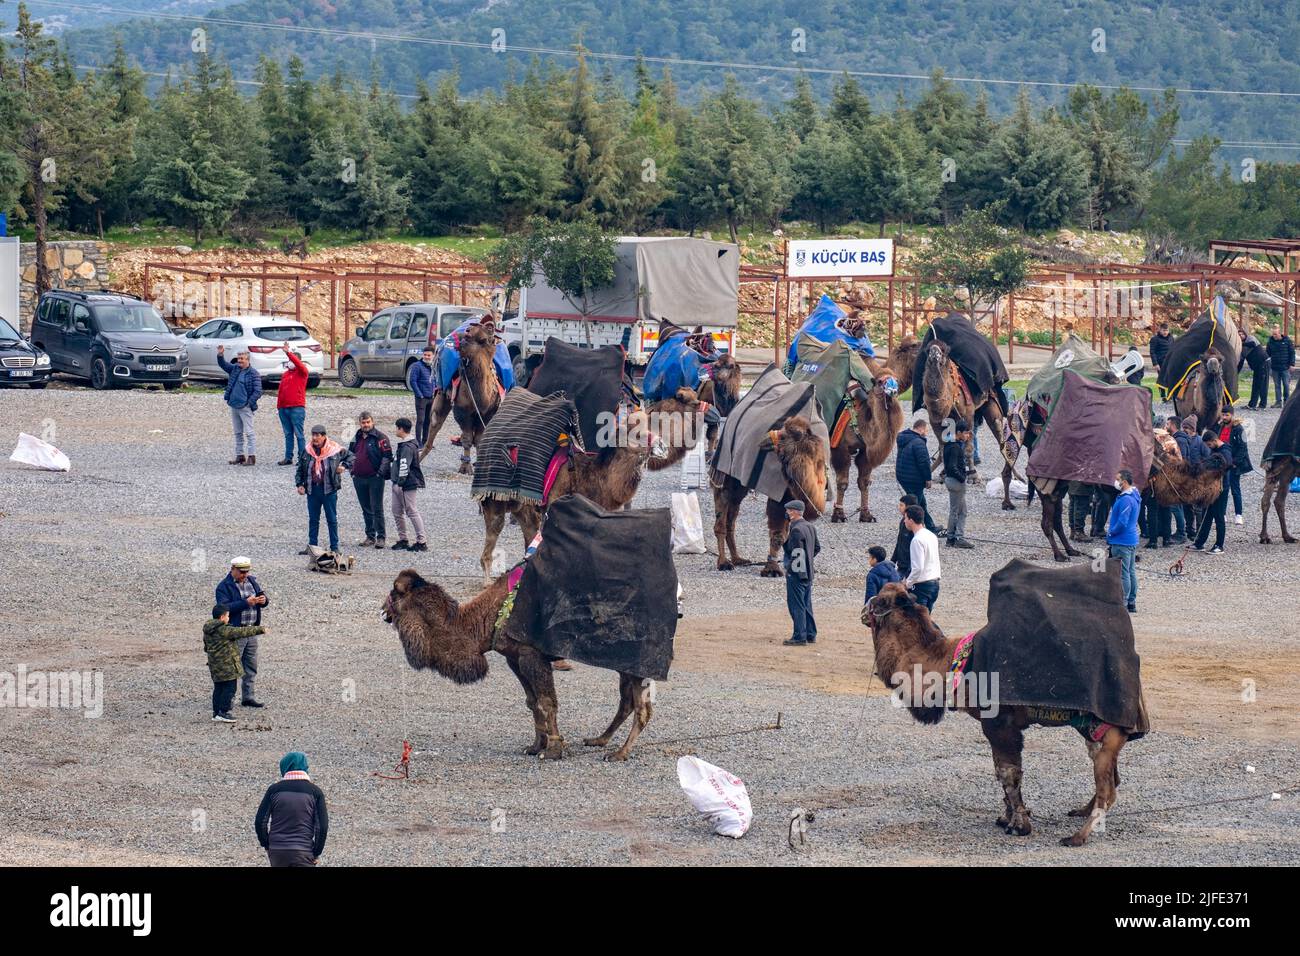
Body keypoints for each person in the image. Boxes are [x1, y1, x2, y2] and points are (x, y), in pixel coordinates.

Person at [255, 752, 329, 868]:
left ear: (284, 767)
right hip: (304, 851)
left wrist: (267, 844)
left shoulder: (274, 790)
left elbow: (260, 822)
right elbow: (321, 827)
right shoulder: (315, 792)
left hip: (277, 851)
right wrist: (316, 852)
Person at [214, 557, 268, 708]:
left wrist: (264, 600)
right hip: (235, 632)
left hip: (251, 630)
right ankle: (227, 700)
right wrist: (246, 603)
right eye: (242, 572)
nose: (245, 574)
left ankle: (248, 697)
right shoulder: (223, 587)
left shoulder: (252, 581)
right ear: (233, 569)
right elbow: (222, 609)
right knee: (231, 668)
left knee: (250, 666)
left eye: (247, 571)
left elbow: (262, 597)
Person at [296, 425, 354, 554]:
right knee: (313, 519)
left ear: (324, 436)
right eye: (313, 435)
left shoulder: (335, 449)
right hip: (312, 490)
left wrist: (344, 465)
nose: (315, 438)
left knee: (331, 519)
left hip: (329, 490)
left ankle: (334, 547)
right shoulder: (307, 450)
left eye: (318, 435)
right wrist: (299, 484)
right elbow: (300, 468)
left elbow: (352, 457)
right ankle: (312, 546)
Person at [204, 604, 265, 723]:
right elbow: (241, 631)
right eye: (227, 616)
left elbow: (206, 647)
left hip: (215, 665)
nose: (229, 618)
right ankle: (224, 712)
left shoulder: (208, 629)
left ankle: (216, 713)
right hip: (227, 666)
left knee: (218, 689)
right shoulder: (224, 629)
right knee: (230, 688)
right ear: (222, 617)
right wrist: (260, 629)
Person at [349, 411, 393, 548]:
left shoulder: (381, 437)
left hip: (375, 478)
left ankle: (381, 537)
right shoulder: (355, 437)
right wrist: (352, 471)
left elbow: (387, 456)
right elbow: (350, 454)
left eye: (368, 422)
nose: (366, 425)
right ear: (360, 423)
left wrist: (380, 473)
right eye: (363, 422)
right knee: (366, 508)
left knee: (377, 508)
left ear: (372, 422)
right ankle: (370, 536)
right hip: (359, 478)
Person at [781, 500, 820, 646]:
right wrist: (808, 560)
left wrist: (791, 569)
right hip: (809, 573)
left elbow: (797, 554)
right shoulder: (810, 527)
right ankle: (810, 634)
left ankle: (799, 636)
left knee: (796, 605)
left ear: (795, 512)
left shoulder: (796, 530)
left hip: (798, 574)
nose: (787, 513)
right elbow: (816, 548)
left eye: (789, 510)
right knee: (806, 604)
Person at [217, 346, 263, 466]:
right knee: (238, 432)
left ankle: (252, 457)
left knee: (249, 432)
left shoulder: (254, 374)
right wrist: (220, 355)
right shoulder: (235, 369)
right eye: (238, 358)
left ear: (248, 359)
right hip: (234, 406)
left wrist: (248, 403)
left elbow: (258, 391)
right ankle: (240, 455)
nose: (239, 361)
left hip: (245, 407)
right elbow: (223, 365)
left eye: (242, 358)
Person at [1192, 431, 1234, 554]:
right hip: (1212, 488)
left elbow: (1227, 465)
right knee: (1207, 515)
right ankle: (1200, 543)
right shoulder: (1215, 449)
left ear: (1214, 441)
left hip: (1221, 489)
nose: (1208, 447)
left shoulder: (1225, 451)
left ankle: (1219, 545)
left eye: (1209, 445)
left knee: (1219, 517)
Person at [389, 417, 427, 552]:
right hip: (400, 483)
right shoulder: (409, 444)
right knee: (397, 511)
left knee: (411, 511)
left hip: (405, 484)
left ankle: (421, 541)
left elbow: (404, 465)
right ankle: (403, 539)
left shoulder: (407, 446)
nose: (395, 430)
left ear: (400, 428)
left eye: (396, 428)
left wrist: (399, 483)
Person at [895, 412, 938, 532]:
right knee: (915, 506)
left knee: (921, 503)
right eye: (926, 430)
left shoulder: (903, 437)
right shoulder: (919, 442)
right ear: (922, 429)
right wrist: (928, 479)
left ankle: (930, 526)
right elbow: (924, 463)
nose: (927, 433)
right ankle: (910, 528)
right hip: (914, 479)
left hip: (903, 476)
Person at [1107, 470, 1141, 613]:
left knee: (1124, 573)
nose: (1116, 481)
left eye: (1117, 479)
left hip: (1122, 541)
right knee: (1131, 571)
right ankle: (1131, 601)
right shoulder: (1134, 495)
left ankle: (1124, 602)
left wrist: (1111, 532)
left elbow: (1122, 522)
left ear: (1124, 482)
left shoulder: (1126, 499)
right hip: (1131, 540)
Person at [941, 419, 974, 548]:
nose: (967, 436)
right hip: (956, 482)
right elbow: (952, 466)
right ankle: (956, 538)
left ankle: (953, 537)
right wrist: (962, 478)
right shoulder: (955, 447)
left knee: (960, 510)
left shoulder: (950, 443)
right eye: (966, 433)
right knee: (957, 511)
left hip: (951, 481)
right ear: (959, 432)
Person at [275, 343, 310, 466]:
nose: (289, 362)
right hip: (284, 408)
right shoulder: (285, 374)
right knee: (288, 434)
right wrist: (279, 407)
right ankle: (288, 457)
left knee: (299, 434)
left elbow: (299, 365)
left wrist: (288, 353)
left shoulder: (302, 372)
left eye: (292, 359)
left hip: (297, 408)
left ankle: (302, 458)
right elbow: (281, 391)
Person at [903, 504, 941, 611]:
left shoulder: (917, 540)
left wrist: (907, 583)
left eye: (905, 518)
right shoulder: (931, 535)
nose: (904, 521)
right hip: (934, 584)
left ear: (911, 520)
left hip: (921, 587)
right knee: (926, 620)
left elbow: (918, 568)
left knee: (917, 621)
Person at [1220, 410, 1253, 525]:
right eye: (1223, 414)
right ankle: (1222, 514)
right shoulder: (1220, 427)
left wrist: (1235, 462)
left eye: (1226, 415)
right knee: (1223, 490)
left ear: (1232, 415)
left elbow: (1243, 448)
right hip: (1223, 464)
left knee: (1235, 489)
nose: (1224, 417)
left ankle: (1238, 515)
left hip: (1233, 464)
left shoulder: (1239, 429)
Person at [1163, 415, 1187, 543]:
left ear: (1173, 425)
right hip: (1178, 477)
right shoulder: (1179, 439)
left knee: (1175, 506)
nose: (1166, 427)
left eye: (1167, 424)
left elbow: (1179, 461)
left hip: (1177, 478)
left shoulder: (1179, 441)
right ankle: (1181, 531)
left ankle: (1181, 533)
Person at [411, 347, 436, 447]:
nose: (426, 357)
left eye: (429, 355)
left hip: (432, 397)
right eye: (425, 355)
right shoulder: (417, 366)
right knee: (420, 420)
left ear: (433, 355)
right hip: (421, 398)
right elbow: (413, 381)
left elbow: (436, 380)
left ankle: (425, 441)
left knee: (428, 421)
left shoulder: (434, 366)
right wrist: (419, 394)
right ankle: (418, 442)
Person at [1266, 325, 1295, 407]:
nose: (1274, 336)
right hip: (1275, 368)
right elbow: (1267, 354)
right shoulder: (1270, 342)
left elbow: (1292, 353)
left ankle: (1286, 401)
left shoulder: (1287, 341)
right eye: (1273, 334)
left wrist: (1292, 364)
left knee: (1286, 385)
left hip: (1285, 367)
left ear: (1280, 333)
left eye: (1275, 334)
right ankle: (1278, 402)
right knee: (1277, 385)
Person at [890, 494, 918, 578]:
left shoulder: (915, 526)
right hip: (901, 565)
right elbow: (899, 543)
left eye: (901, 505)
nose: (899, 507)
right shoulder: (903, 521)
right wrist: (892, 561)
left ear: (908, 507)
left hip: (910, 568)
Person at [1239, 332, 1270, 409]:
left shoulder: (1251, 338)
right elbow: (1241, 361)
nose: (1240, 336)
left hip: (1264, 362)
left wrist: (1241, 343)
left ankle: (1262, 405)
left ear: (1245, 334)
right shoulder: (1241, 348)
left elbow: (1252, 344)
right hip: (1256, 366)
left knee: (1263, 384)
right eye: (1238, 335)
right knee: (1255, 385)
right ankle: (1252, 404)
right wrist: (1236, 373)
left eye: (1242, 334)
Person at [1149, 321, 1175, 401]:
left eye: (1166, 330)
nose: (1165, 332)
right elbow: (1152, 352)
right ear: (1160, 330)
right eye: (1163, 330)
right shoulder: (1155, 339)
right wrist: (1155, 363)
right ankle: (1163, 396)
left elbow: (1174, 349)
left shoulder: (1171, 338)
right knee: (1162, 379)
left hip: (1170, 362)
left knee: (1171, 378)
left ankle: (1170, 395)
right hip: (1160, 362)